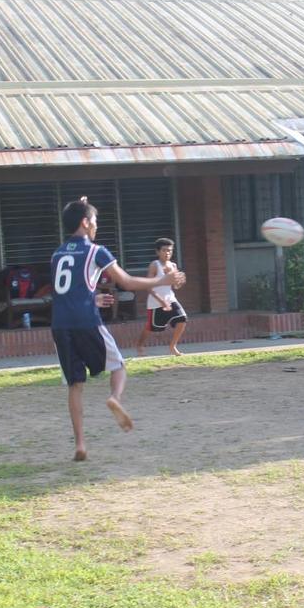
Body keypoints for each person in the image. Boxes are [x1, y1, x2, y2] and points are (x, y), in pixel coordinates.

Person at [51, 197, 185, 462]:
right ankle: (114, 397)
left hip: (60, 324)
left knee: (75, 384)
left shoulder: (57, 254)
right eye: (95, 222)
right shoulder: (97, 251)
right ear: (85, 223)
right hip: (86, 322)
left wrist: (93, 299)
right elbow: (126, 282)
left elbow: (65, 291)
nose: (97, 227)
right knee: (118, 366)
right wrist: (162, 280)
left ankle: (80, 444)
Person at [135, 238, 188, 357]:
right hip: (155, 302)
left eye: (170, 250)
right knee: (151, 327)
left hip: (170, 299)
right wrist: (161, 301)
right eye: (164, 250)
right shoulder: (155, 265)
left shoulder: (173, 265)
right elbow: (148, 286)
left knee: (182, 319)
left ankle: (172, 346)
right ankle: (139, 345)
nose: (167, 253)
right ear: (158, 252)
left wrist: (180, 281)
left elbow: (176, 286)